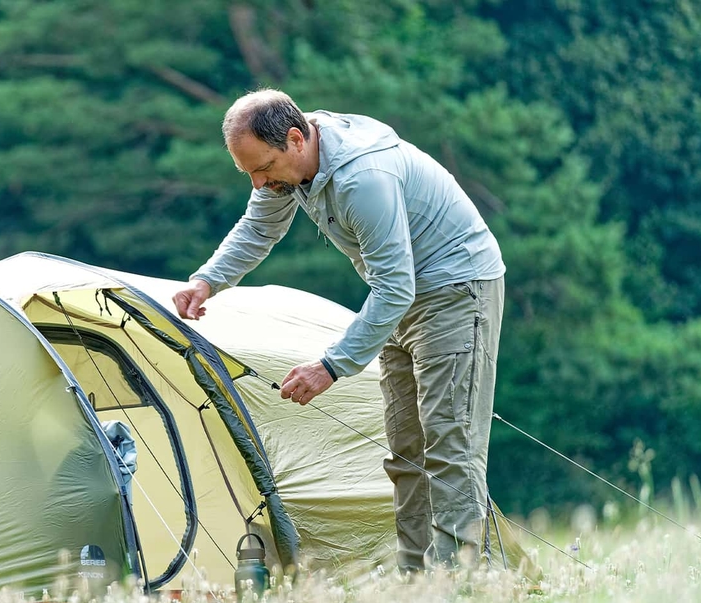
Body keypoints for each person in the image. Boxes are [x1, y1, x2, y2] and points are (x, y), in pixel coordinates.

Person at [172, 89, 505, 572]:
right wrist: (207, 280)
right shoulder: (290, 167)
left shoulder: (361, 179)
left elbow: (395, 286)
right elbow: (259, 227)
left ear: (294, 138)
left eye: (262, 168)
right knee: (406, 451)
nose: (259, 183)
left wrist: (332, 366)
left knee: (450, 448)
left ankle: (463, 585)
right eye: (248, 174)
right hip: (399, 297)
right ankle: (416, 582)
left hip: (456, 290)